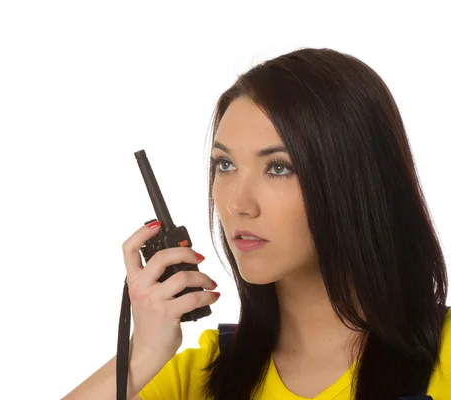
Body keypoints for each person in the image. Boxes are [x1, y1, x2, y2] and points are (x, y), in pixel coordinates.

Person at [62, 47, 450, 400]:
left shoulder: (443, 356)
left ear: (356, 180)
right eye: (225, 165)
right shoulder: (203, 374)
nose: (237, 204)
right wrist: (142, 355)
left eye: (278, 168)